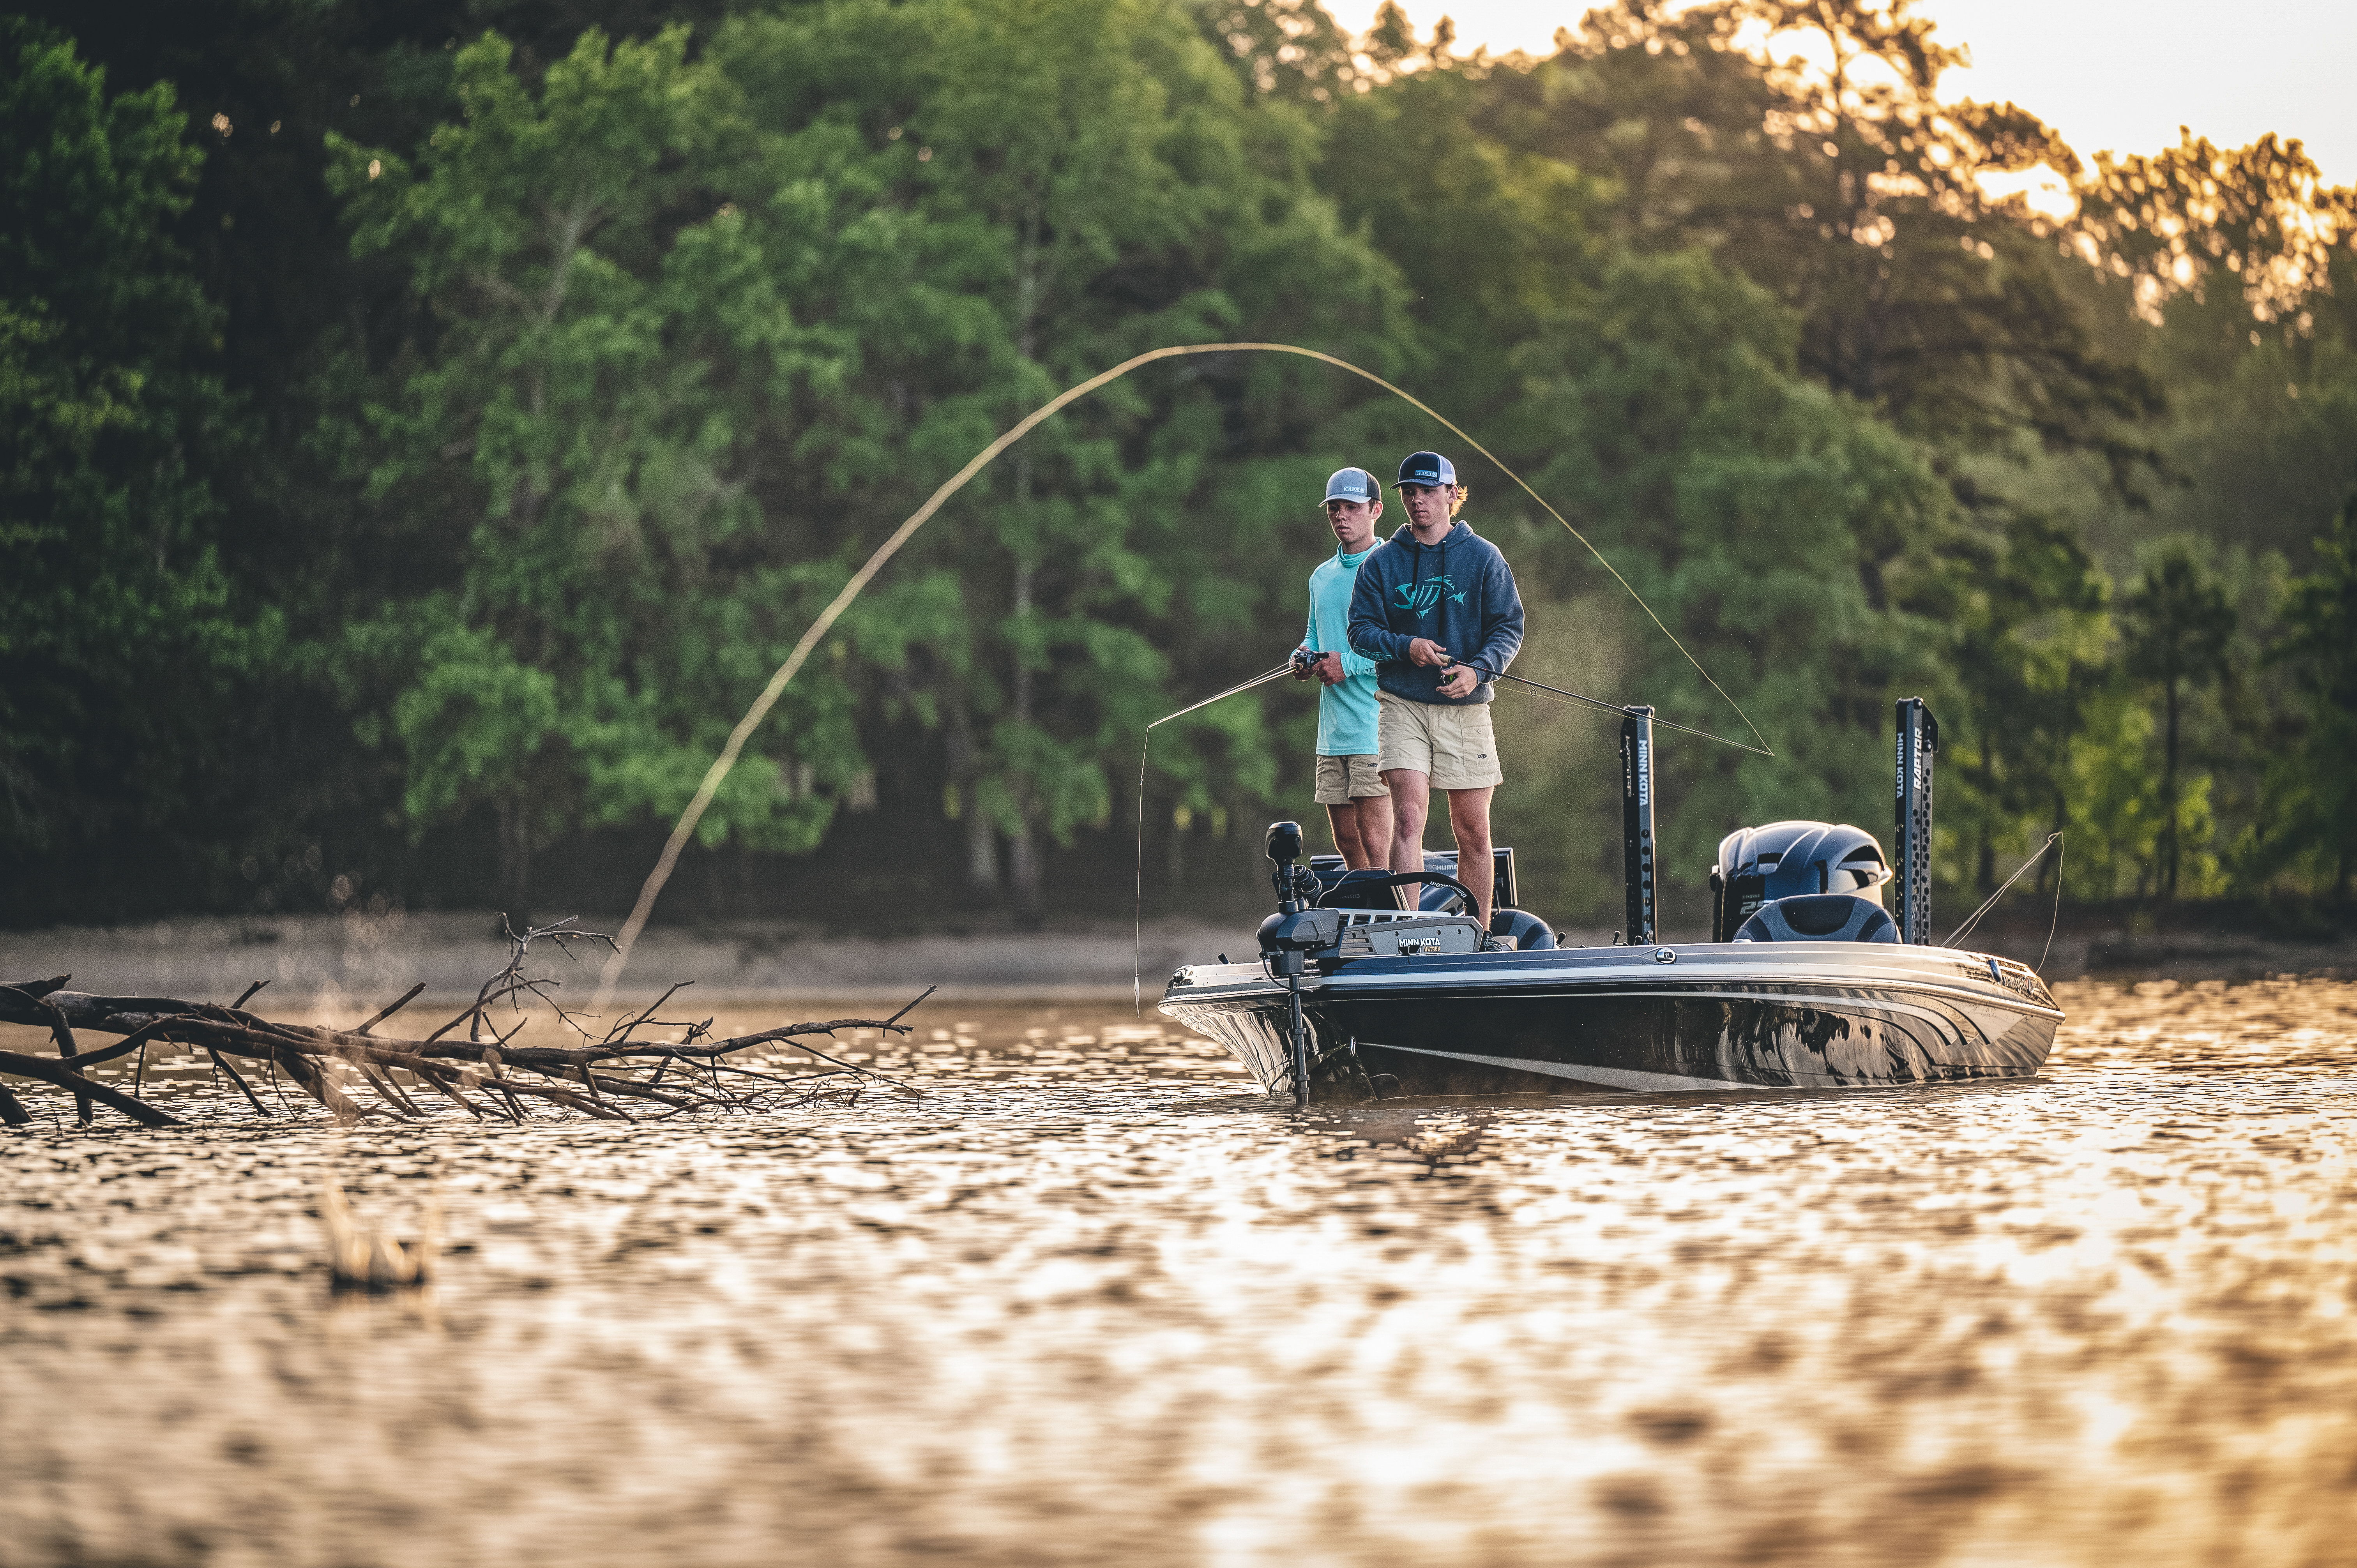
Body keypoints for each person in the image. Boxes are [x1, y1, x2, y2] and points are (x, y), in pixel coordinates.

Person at [1346, 450, 1525, 934]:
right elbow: (1360, 631)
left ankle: (1479, 936)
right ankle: (1408, 933)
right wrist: (1408, 647)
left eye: (1428, 491)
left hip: (1466, 708)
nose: (1418, 501)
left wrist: (1480, 671)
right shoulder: (1382, 564)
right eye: (1409, 493)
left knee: (1474, 831)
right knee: (1408, 819)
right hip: (1402, 704)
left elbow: (1510, 626)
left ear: (1452, 494)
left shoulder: (1484, 557)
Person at [1295, 467, 1394, 869]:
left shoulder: (1392, 569)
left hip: (1376, 729)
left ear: (1376, 510)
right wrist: (1303, 657)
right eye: (1334, 508)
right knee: (1348, 841)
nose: (1341, 516)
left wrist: (1347, 665)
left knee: (1377, 841)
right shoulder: (1321, 576)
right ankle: (1369, 926)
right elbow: (1314, 635)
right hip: (1332, 734)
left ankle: (1397, 924)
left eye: (1351, 508)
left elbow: (1402, 650)